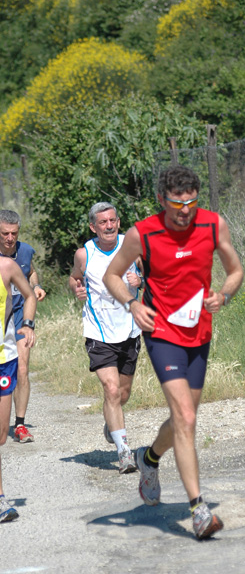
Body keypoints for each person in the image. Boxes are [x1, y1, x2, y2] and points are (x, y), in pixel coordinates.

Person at [103, 165, 244, 540]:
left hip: (199, 330)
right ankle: (199, 511)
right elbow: (111, 276)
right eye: (177, 204)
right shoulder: (142, 233)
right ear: (161, 200)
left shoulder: (213, 225)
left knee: (186, 417)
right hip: (161, 331)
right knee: (184, 415)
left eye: (192, 203)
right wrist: (132, 304)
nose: (185, 211)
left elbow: (235, 271)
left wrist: (225, 295)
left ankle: (149, 458)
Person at [69, 202, 143, 474]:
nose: (109, 226)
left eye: (112, 220)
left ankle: (112, 424)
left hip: (129, 328)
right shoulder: (84, 254)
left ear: (118, 222)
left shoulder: (132, 246)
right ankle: (124, 452)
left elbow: (152, 276)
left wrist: (141, 282)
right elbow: (75, 278)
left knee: (123, 394)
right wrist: (77, 288)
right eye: (103, 222)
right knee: (111, 390)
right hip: (98, 330)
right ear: (93, 227)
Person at [0, 210, 46, 443]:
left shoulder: (25, 250)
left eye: (14, 233)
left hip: (19, 315)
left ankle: (19, 425)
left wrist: (35, 286)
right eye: (5, 233)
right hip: (2, 317)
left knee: (22, 368)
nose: (10, 238)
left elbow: (32, 271)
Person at [0, 256, 36, 522]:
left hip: (3, 359)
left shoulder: (7, 267)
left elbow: (30, 294)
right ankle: (1, 499)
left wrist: (28, 323)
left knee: (1, 436)